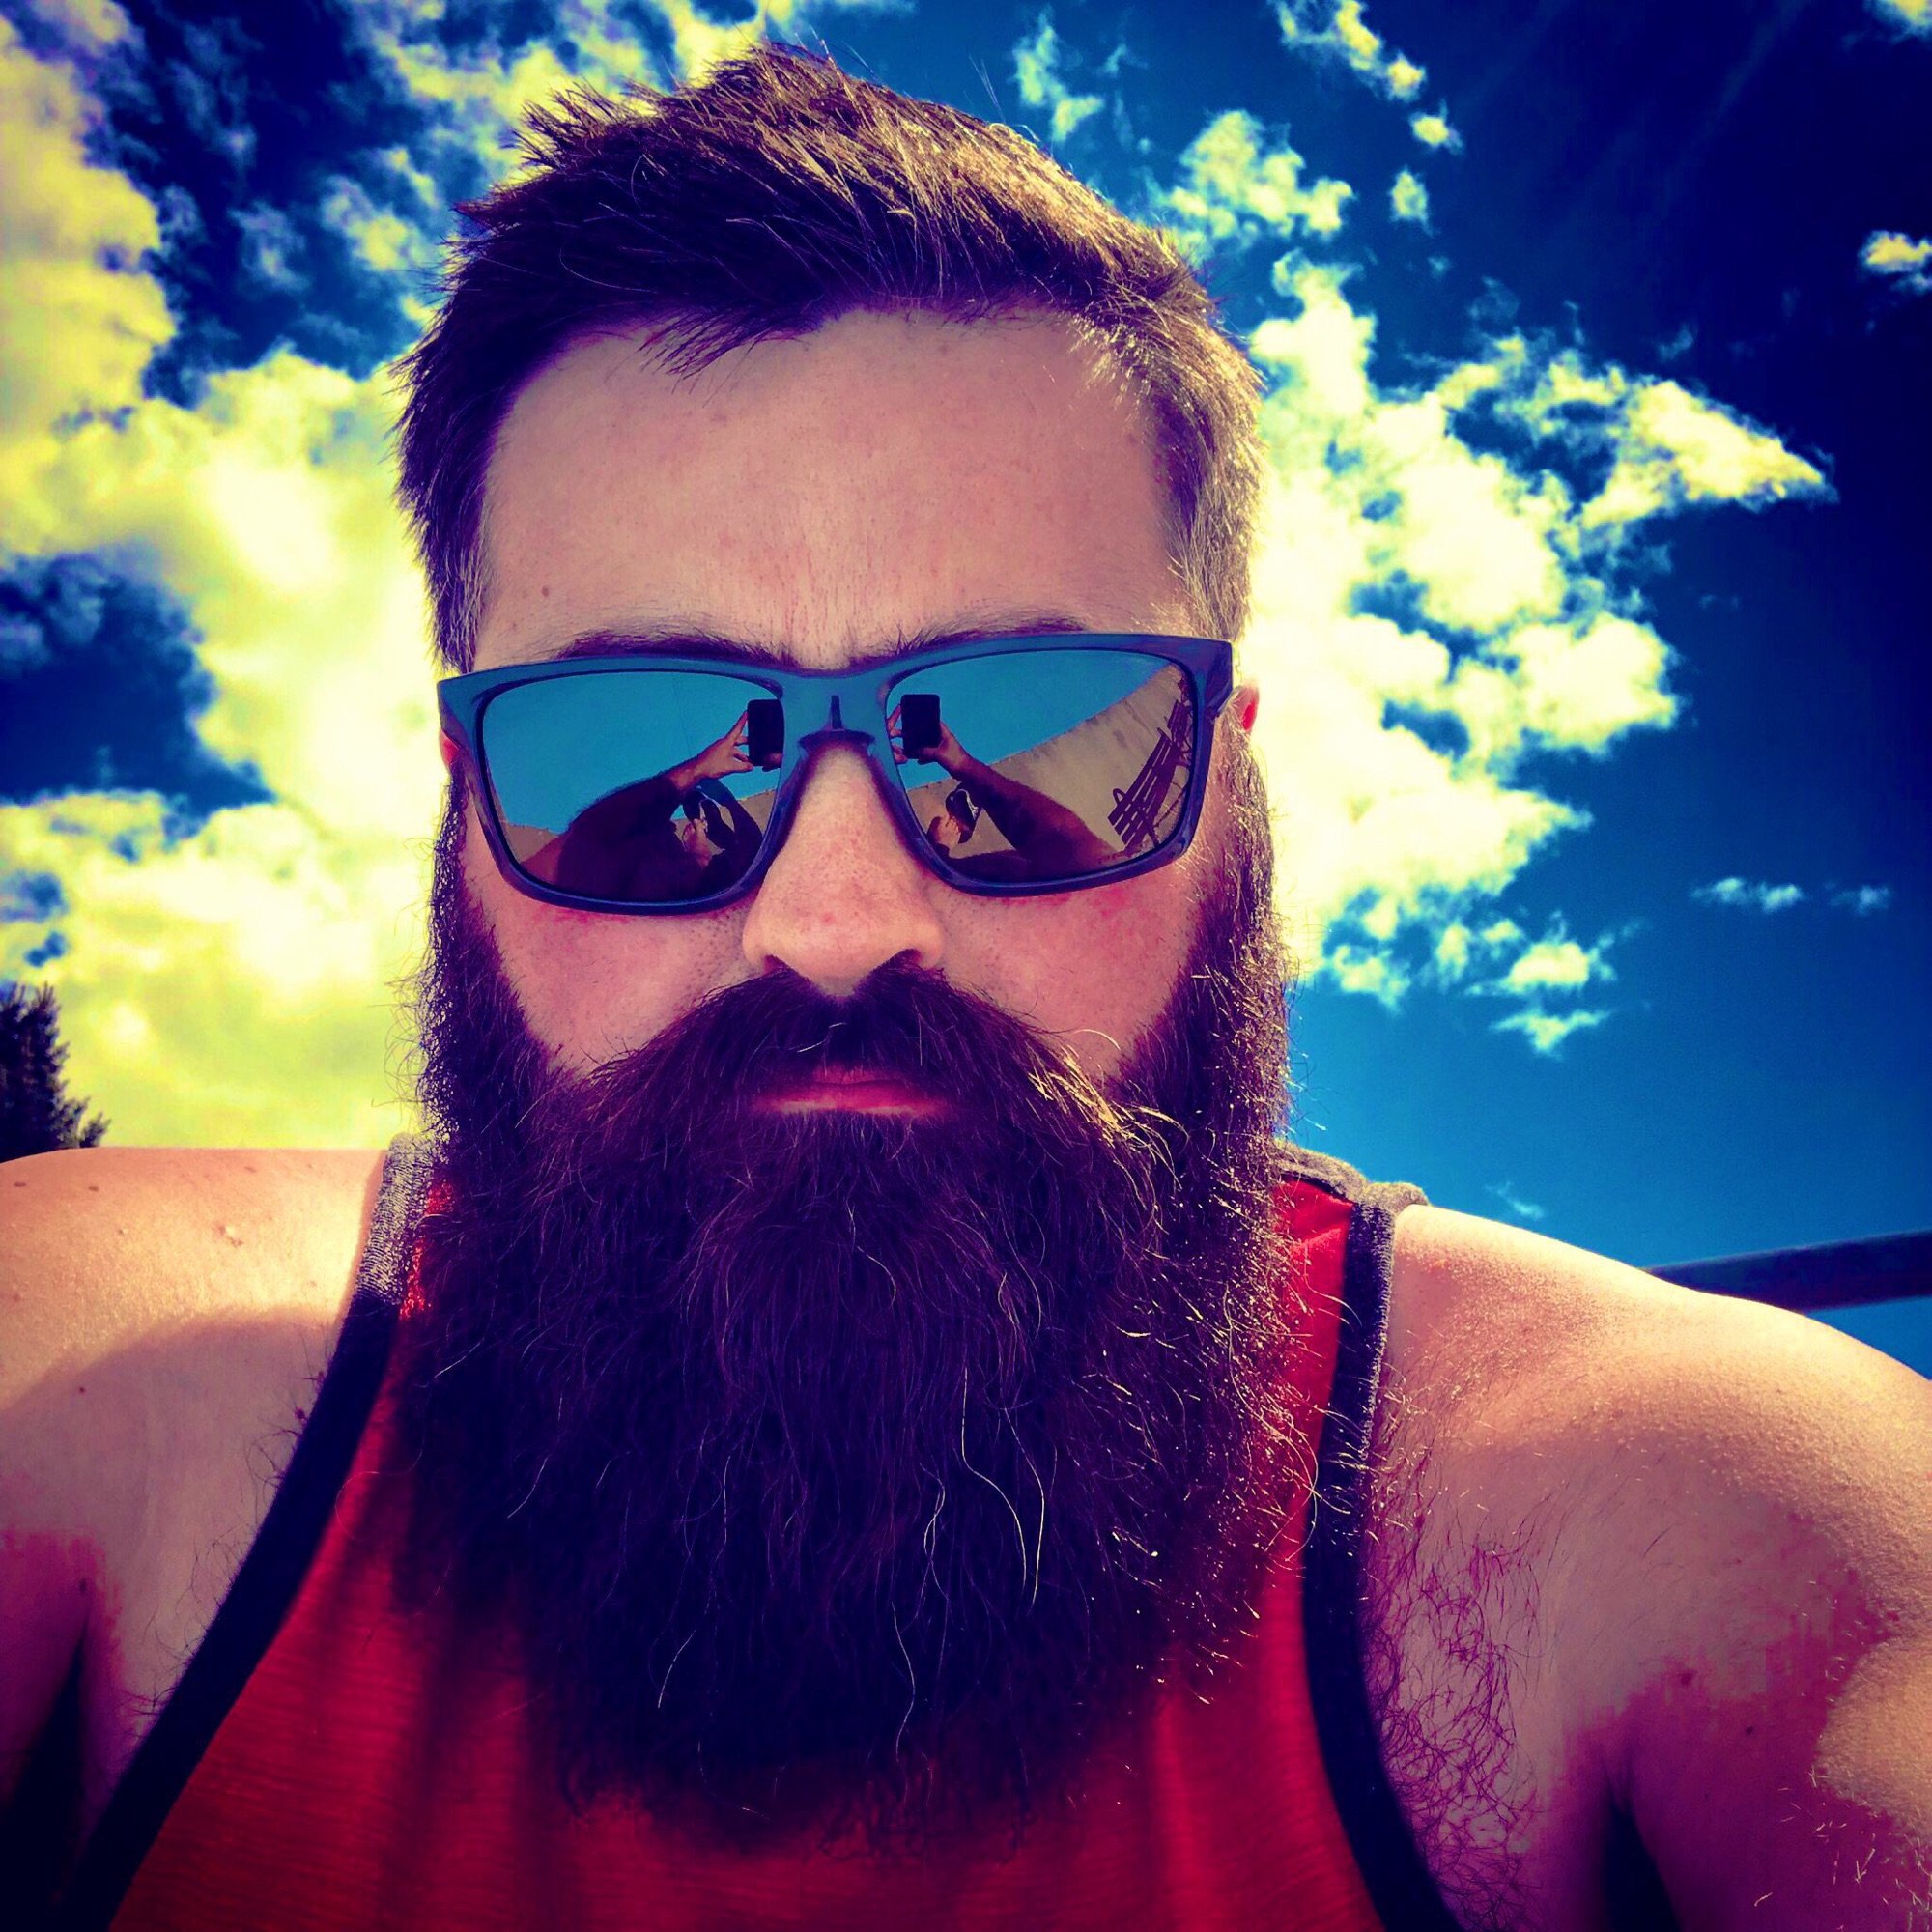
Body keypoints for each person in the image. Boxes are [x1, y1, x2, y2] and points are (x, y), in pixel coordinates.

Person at [2, 46, 1927, 1932]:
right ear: (463, 810)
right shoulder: (100, 1386)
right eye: (639, 761)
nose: (837, 920)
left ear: (1227, 792)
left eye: (1027, 734)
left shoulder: (1679, 1524)